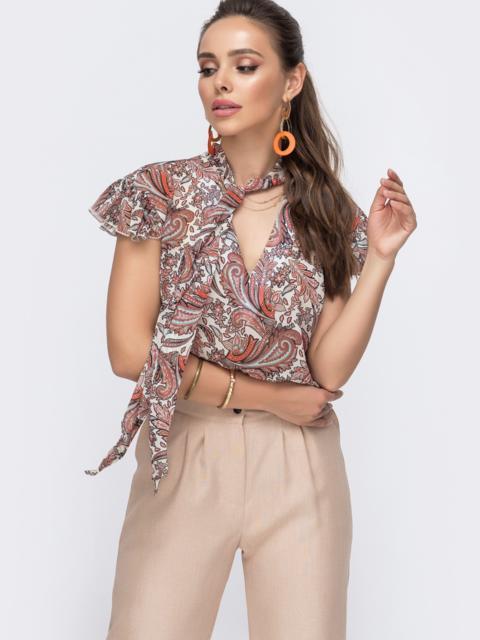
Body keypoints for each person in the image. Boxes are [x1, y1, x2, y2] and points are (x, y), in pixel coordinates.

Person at [86, 1, 417, 638]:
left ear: (292, 81)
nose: (221, 83)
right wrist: (270, 397)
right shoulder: (157, 193)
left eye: (244, 66)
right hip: (186, 449)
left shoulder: (326, 207)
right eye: (208, 67)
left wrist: (379, 259)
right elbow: (130, 352)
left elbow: (327, 369)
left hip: (300, 463)